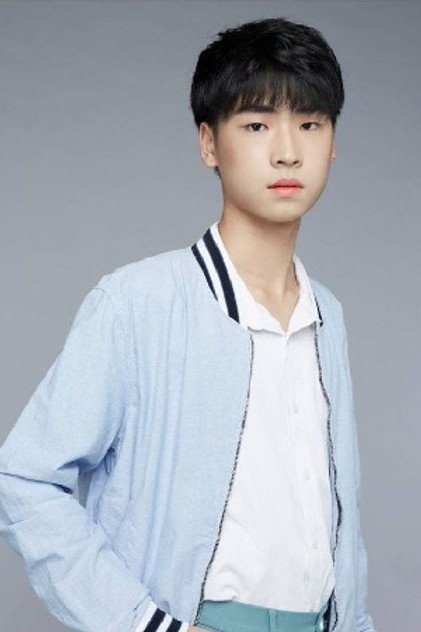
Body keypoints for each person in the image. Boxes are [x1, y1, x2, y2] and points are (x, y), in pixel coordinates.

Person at [0, 16, 377, 632]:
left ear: (332, 141)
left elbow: (337, 520)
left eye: (310, 124)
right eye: (256, 125)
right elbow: (24, 478)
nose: (288, 151)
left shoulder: (326, 314)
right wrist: (143, 623)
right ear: (209, 143)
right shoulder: (136, 304)